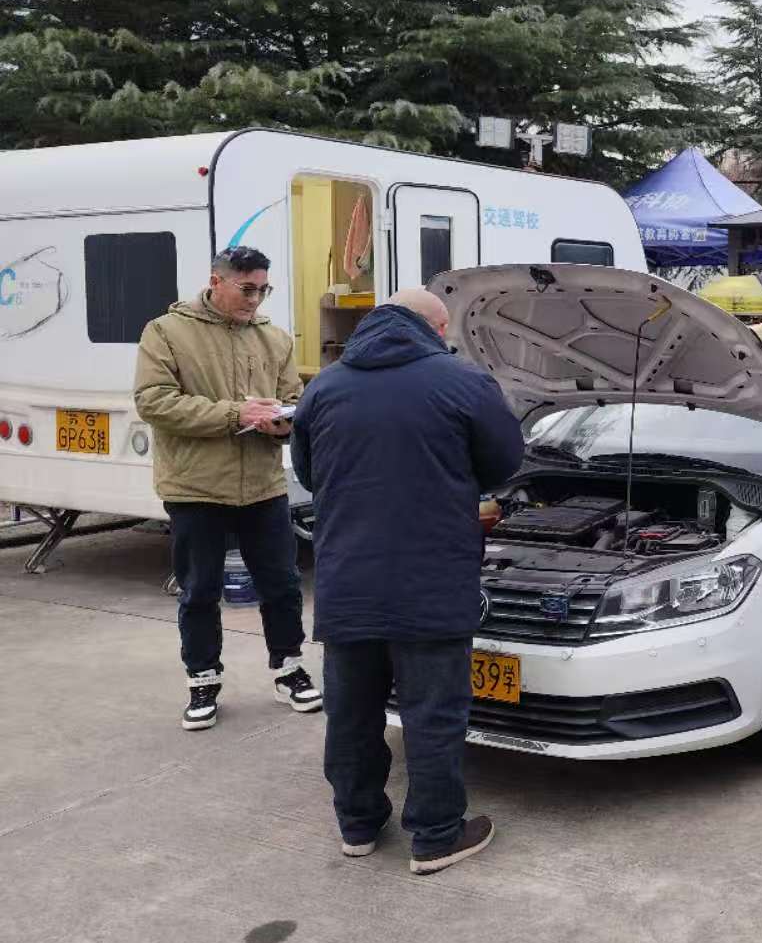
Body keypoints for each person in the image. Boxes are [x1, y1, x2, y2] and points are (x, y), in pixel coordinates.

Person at [291, 288, 524, 875]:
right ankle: (437, 835)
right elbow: (504, 465)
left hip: (347, 581)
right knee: (432, 715)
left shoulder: (324, 386)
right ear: (434, 327)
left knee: (352, 713)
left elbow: (309, 473)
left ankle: (358, 826)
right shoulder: (464, 382)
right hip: (431, 582)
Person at [134, 246, 321, 731]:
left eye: (263, 289)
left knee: (282, 585)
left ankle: (289, 669)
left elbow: (292, 399)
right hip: (195, 487)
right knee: (200, 590)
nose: (255, 299)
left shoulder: (274, 338)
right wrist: (236, 414)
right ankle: (203, 680)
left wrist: (283, 423)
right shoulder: (166, 331)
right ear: (216, 281)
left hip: (263, 485)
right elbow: (153, 401)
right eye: (247, 289)